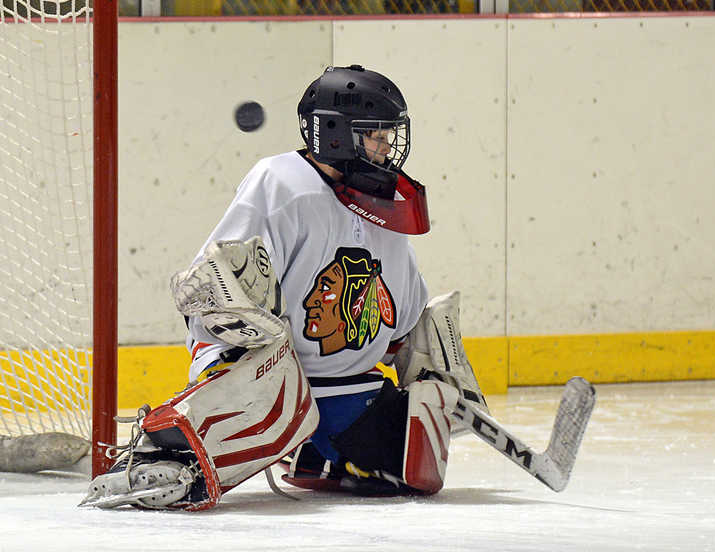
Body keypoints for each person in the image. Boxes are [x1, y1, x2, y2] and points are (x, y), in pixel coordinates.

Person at [82, 65, 488, 509]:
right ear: (335, 132)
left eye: (390, 135)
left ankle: (310, 450)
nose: (387, 147)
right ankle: (169, 451)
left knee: (415, 468)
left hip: (342, 386)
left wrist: (431, 365)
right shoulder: (280, 183)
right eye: (376, 135)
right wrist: (240, 321)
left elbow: (401, 323)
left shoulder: (387, 206)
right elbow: (210, 289)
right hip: (262, 372)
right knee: (274, 393)